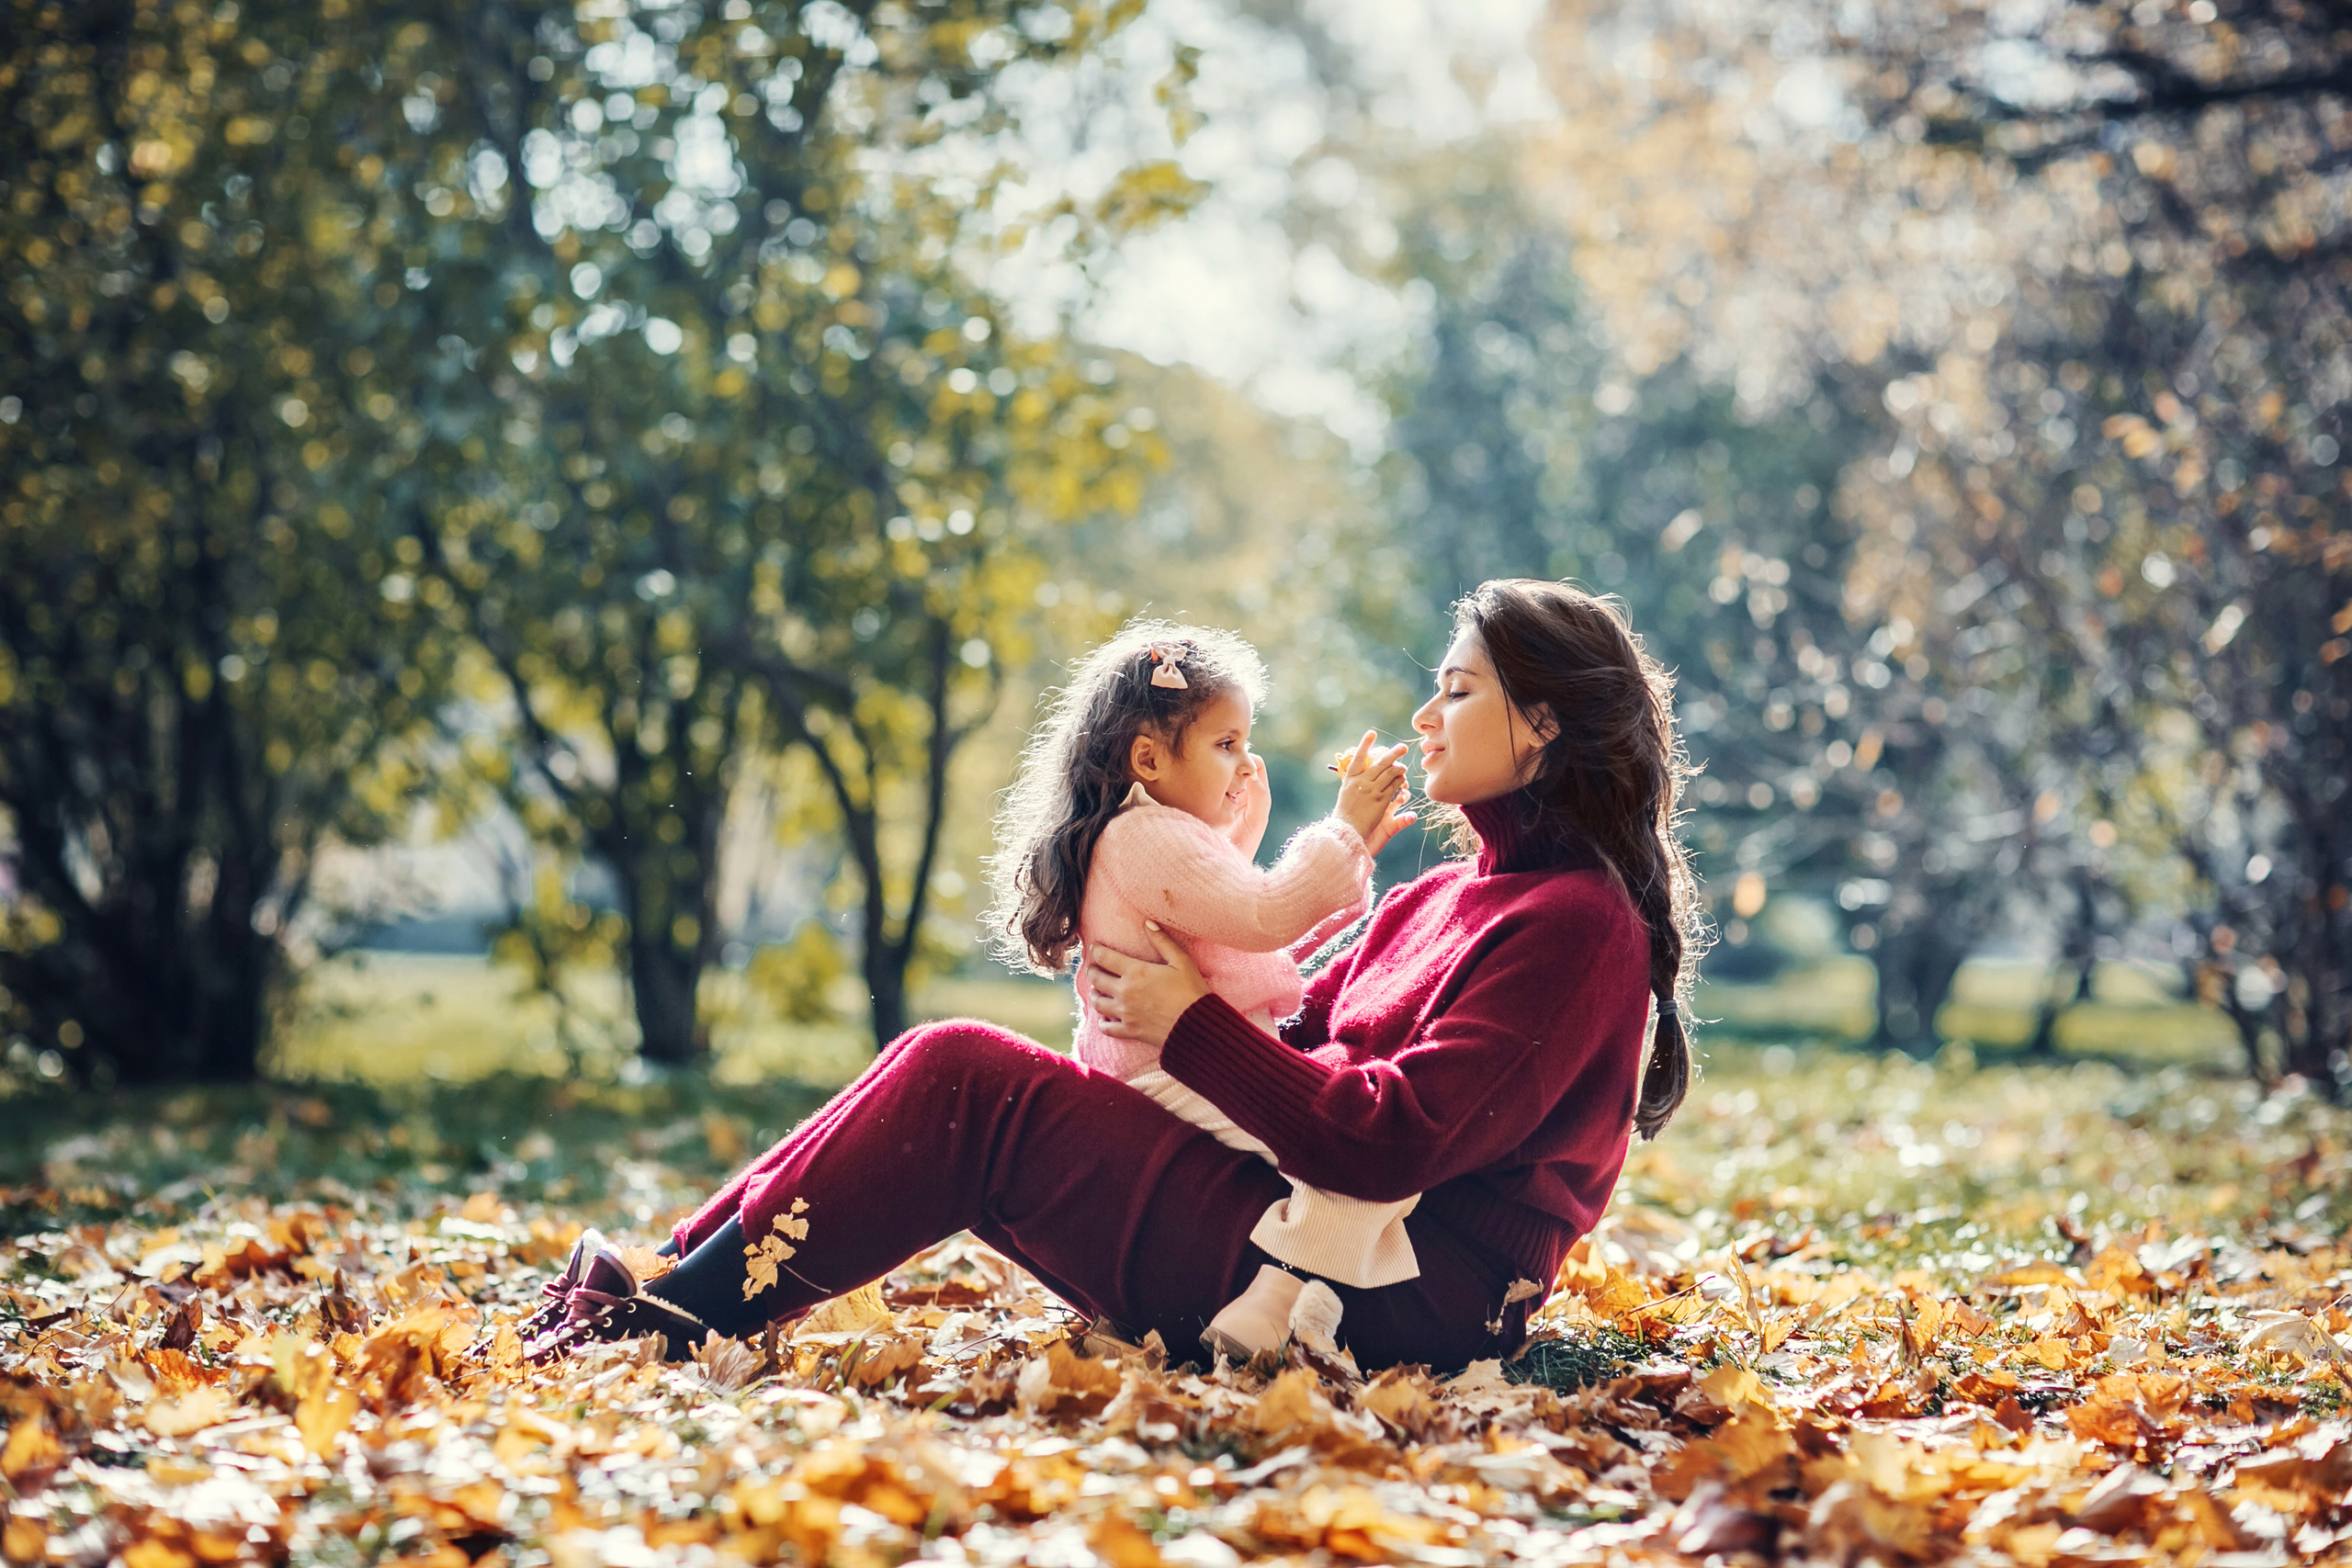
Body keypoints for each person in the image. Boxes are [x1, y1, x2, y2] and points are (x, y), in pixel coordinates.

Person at [520, 579, 1702, 1373]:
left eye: (1459, 689)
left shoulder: (1577, 929)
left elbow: (1389, 1141)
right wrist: (1179, 970)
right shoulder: (1449, 896)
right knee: (947, 1069)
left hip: (1398, 1297)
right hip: (1304, 1223)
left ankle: (669, 1321)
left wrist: (1185, 1028)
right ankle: (681, 1276)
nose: (1424, 714)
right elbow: (1294, 1039)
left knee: (965, 1079)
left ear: (1541, 727)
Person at [986, 623, 1420, 1358]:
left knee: (1356, 1158)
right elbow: (1264, 914)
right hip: (1172, 1074)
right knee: (1372, 1160)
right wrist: (1340, 829)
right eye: (1226, 745)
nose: (1245, 764)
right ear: (1148, 757)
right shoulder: (1148, 836)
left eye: (1246, 744)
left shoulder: (1142, 835)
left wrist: (1284, 851)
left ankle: (1292, 1298)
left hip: (1167, 1069)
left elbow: (1241, 940)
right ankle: (1279, 1298)